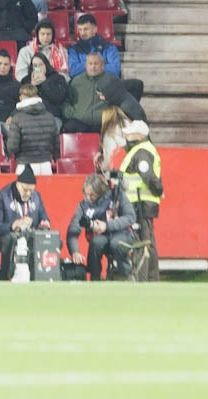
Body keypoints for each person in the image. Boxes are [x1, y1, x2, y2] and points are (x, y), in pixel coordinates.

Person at [67, 171, 138, 280]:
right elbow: (73, 229)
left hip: (123, 233)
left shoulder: (116, 195)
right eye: (85, 194)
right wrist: (75, 251)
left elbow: (130, 217)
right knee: (96, 243)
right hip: (102, 237)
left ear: (99, 191)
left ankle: (126, 275)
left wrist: (107, 226)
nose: (88, 198)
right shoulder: (84, 206)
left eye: (91, 195)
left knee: (117, 243)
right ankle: (95, 278)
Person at [0, 166, 53, 280]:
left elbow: (44, 216)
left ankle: (43, 277)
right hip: (8, 236)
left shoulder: (36, 196)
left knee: (51, 238)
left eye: (31, 190)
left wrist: (44, 223)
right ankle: (7, 276)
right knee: (10, 240)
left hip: (30, 235)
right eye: (25, 190)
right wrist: (12, 226)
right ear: (17, 184)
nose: (28, 193)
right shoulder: (2, 197)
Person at [117, 119, 163, 281]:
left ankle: (147, 278)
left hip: (141, 203)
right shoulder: (140, 150)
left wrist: (158, 190)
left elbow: (148, 176)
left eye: (129, 133)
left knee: (144, 242)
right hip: (138, 202)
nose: (126, 136)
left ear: (139, 135)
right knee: (145, 240)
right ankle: (147, 277)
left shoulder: (142, 152)